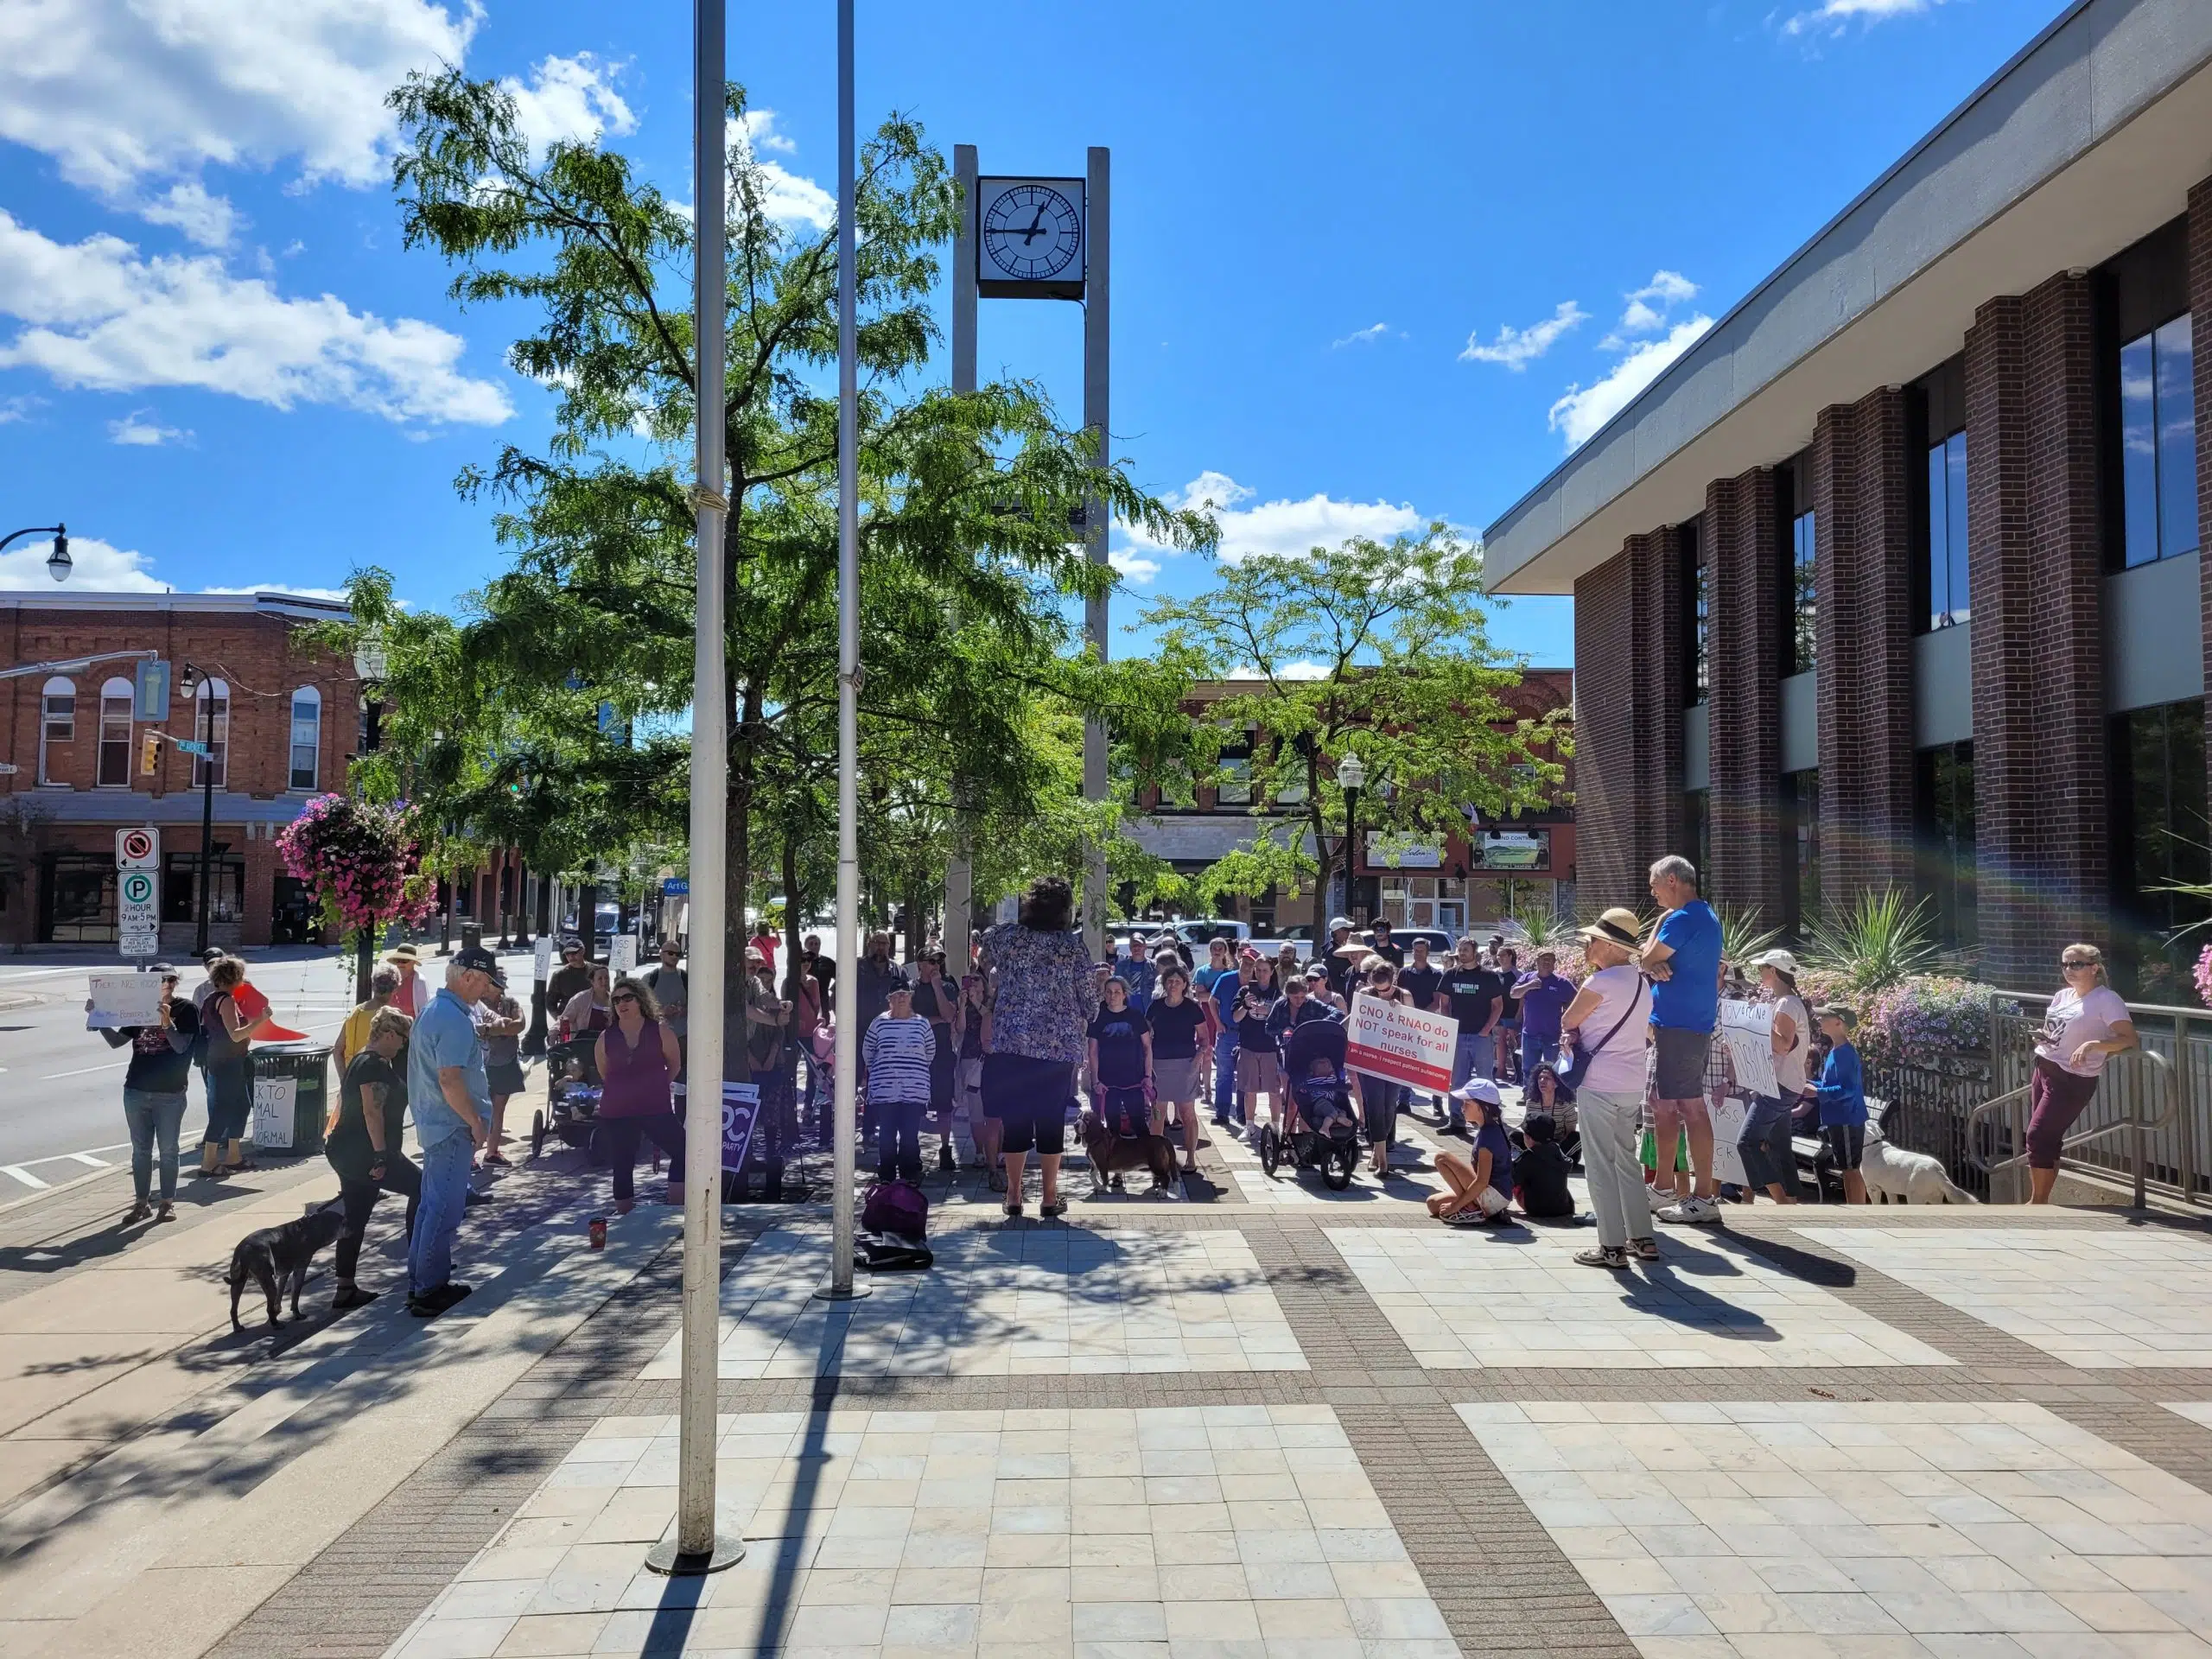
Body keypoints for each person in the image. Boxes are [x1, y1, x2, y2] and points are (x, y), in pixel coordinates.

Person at [978, 876, 1097, 1220]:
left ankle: (1014, 1195)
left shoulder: (1008, 937)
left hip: (1011, 1046)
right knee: (1050, 1121)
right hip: (1057, 1050)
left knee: (1015, 1120)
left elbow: (985, 947)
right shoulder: (1072, 947)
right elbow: (1089, 1001)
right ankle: (1048, 1197)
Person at [405, 946, 499, 1316]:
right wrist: (476, 1122)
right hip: (451, 1127)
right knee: (444, 1210)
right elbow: (450, 1079)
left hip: (436, 1125)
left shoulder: (435, 1010)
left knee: (431, 1208)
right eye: (485, 982)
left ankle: (422, 1280)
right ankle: (428, 1290)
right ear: (468, 977)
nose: (486, 990)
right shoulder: (453, 1018)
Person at [1563, 907, 1658, 1270]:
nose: (1587, 945)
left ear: (1606, 944)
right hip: (1631, 1082)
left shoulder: (1599, 983)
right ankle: (1642, 1238)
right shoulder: (1640, 981)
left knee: (1600, 1165)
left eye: (1591, 940)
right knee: (1626, 1160)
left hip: (1599, 1082)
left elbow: (1569, 1019)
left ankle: (1611, 1247)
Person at [1639, 855, 1725, 1225]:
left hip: (1682, 1026)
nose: (1652, 890)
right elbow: (1651, 962)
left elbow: (1646, 957)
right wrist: (1651, 962)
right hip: (1680, 1024)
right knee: (1663, 1105)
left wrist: (1656, 933)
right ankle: (1662, 1188)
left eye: (1655, 883)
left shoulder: (1681, 918)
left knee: (1690, 1107)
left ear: (1673, 880)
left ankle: (1704, 1197)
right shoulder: (1702, 914)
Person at [2026, 944, 2139, 1205]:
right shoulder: (2062, 996)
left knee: (2038, 1135)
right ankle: (2040, 1202)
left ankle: (2037, 1203)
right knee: (2048, 1137)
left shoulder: (2106, 1000)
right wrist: (2042, 1038)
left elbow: (2129, 1039)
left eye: (2076, 964)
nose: (2069, 970)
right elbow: (2053, 1029)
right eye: (2065, 964)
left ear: (2094, 967)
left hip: (2072, 1079)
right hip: (2045, 1068)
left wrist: (2094, 1046)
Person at [327, 1007, 422, 1310]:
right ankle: (421, 1263)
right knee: (422, 1188)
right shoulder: (374, 1067)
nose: (403, 1045)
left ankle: (345, 1287)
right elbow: (372, 1112)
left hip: (347, 1151)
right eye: (403, 1039)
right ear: (389, 1034)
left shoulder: (363, 1060)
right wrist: (381, 1156)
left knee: (356, 1213)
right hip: (368, 1153)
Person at [95, 964, 197, 1223]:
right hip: (136, 1090)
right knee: (141, 1150)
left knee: (169, 1150)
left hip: (170, 1093)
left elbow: (182, 1048)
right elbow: (117, 1041)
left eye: (172, 979)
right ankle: (141, 1203)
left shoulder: (186, 1010)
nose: (168, 984)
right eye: (161, 979)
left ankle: (167, 1202)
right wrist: (100, 1020)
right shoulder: (139, 1008)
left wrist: (166, 1023)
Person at [595, 976, 686, 1212]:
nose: (621, 1004)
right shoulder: (605, 1037)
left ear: (641, 1000)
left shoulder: (661, 1032)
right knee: (622, 1165)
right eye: (616, 1000)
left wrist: (657, 1085)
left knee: (684, 1151)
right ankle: (625, 1219)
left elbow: (675, 1065)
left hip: (655, 1107)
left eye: (627, 997)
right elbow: (605, 1073)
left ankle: (676, 1209)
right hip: (617, 1111)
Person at [1736, 950, 1809, 1205]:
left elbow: (1782, 1045)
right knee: (1779, 1146)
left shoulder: (1786, 1004)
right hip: (1785, 1085)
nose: (1760, 974)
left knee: (1746, 1142)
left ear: (1773, 972)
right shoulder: (1790, 1002)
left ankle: (1780, 1200)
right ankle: (1789, 1201)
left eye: (1762, 969)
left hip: (1779, 1086)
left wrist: (1758, 1020)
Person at [198, 956, 270, 1178]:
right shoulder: (226, 1001)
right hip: (227, 1061)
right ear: (234, 977)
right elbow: (236, 1035)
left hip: (224, 1059)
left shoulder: (211, 998)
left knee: (241, 1106)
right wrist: (260, 1020)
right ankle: (209, 1162)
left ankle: (234, 1155)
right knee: (224, 1108)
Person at [863, 981, 938, 1184]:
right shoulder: (878, 1023)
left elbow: (929, 1052)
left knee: (910, 1136)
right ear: (890, 1000)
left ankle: (909, 1175)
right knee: (886, 1136)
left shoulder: (922, 1023)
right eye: (897, 994)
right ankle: (886, 1176)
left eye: (905, 993)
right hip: (885, 1091)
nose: (902, 997)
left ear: (911, 997)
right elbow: (868, 1054)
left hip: (914, 1090)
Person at [1434, 937, 1503, 1135]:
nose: (1462, 953)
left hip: (1481, 1037)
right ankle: (1456, 1121)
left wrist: (1486, 1030)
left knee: (1485, 1079)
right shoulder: (1450, 975)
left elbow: (1498, 1006)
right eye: (1460, 949)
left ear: (1475, 952)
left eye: (1466, 949)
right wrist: (1448, 1026)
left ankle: (1488, 1121)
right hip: (1458, 1035)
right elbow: (1444, 1004)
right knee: (1457, 1080)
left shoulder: (1488, 976)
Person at [1350, 958, 1410, 1178]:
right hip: (1370, 1058)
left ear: (1393, 980)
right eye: (1378, 989)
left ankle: (1377, 1151)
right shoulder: (1366, 993)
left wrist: (1400, 1011)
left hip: (1395, 1059)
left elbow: (1415, 1026)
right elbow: (1358, 1021)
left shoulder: (1404, 995)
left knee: (1389, 1107)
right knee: (1374, 1105)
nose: (1381, 993)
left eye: (1385, 990)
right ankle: (1383, 1161)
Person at [1147, 964, 1207, 1175]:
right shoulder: (1155, 1007)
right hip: (1159, 1065)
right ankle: (1156, 1158)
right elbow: (1146, 1036)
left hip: (1185, 1065)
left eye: (1177, 981)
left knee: (1187, 1113)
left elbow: (1204, 1039)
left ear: (1185, 985)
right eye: (1169, 981)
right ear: (1164, 984)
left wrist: (1197, 1061)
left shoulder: (1192, 1008)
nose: (1173, 985)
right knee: (1157, 1114)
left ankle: (1190, 1157)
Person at [1427, 1078, 1513, 1223]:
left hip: (1493, 1195)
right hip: (1494, 1196)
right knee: (1433, 1204)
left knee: (1441, 1157)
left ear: (1483, 1108)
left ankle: (1471, 1208)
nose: (1462, 1108)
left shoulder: (1488, 1137)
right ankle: (1474, 1206)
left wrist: (1455, 1206)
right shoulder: (1488, 1128)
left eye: (1467, 1104)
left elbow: (1481, 1182)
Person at [1814, 1005, 1870, 1204]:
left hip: (1847, 1119)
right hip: (1839, 1118)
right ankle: (1856, 1209)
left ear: (1838, 1021)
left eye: (1824, 1017)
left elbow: (1846, 1090)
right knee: (1847, 1169)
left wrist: (1818, 1092)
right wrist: (1811, 1085)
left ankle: (1859, 1212)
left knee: (1850, 1169)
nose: (1819, 1020)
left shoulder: (1845, 1053)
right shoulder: (1836, 1050)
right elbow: (1830, 1084)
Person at [910, 950, 960, 1172]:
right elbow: (910, 1019)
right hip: (916, 1056)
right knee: (914, 1104)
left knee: (944, 1105)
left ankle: (945, 1149)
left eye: (939, 961)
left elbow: (949, 1016)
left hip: (942, 1053)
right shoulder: (910, 988)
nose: (936, 965)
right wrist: (935, 1020)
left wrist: (937, 986)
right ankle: (913, 1150)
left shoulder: (948, 986)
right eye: (931, 961)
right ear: (920, 963)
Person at [474, 982, 527, 1167]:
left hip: (506, 1062)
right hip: (481, 1063)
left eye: (497, 983)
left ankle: (492, 1152)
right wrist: (498, 1028)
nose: (493, 987)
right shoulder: (475, 1004)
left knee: (498, 1109)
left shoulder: (510, 1003)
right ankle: (470, 1157)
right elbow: (475, 1030)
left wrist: (489, 1029)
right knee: (476, 1111)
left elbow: (519, 1025)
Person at [1232, 956, 1282, 1134]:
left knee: (1274, 1090)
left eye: (1265, 970)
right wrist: (1245, 1006)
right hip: (1248, 1046)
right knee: (1249, 1089)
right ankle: (1250, 1126)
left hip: (1270, 1048)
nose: (1261, 974)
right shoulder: (1245, 991)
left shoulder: (1278, 994)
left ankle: (1275, 1127)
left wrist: (1269, 1012)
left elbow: (1283, 1022)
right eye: (1258, 970)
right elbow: (1235, 1018)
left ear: (1272, 972)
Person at [956, 973, 997, 1186]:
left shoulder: (992, 1003)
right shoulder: (964, 1003)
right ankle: (979, 1151)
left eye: (977, 979)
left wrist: (976, 1001)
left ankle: (996, 1152)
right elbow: (960, 1029)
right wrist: (963, 1005)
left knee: (994, 1110)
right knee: (975, 1110)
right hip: (971, 1060)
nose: (973, 983)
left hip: (992, 1061)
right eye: (969, 980)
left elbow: (991, 1017)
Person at [1195, 938, 1241, 1128]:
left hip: (1225, 1018)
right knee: (1205, 1052)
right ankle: (1206, 1089)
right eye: (1214, 948)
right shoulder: (1202, 971)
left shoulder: (1230, 973)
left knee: (1224, 1060)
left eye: (1221, 948)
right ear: (1210, 950)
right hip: (1206, 1015)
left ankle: (1235, 1106)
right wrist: (1216, 995)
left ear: (1226, 951)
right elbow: (1200, 996)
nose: (1217, 951)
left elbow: (1217, 996)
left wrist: (1211, 995)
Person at [1511, 950, 1575, 1080]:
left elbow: (1576, 1000)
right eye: (1544, 959)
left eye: (1550, 960)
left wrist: (1567, 1019)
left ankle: (1555, 1097)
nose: (1547, 962)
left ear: (1554, 964)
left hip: (1552, 1034)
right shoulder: (1527, 978)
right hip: (1530, 1033)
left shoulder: (1561, 982)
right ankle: (1529, 1096)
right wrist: (1529, 986)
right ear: (1537, 962)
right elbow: (1513, 994)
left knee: (1553, 1069)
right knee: (1529, 1069)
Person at [335, 964, 402, 1073]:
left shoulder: (356, 1011)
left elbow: (338, 1049)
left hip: (351, 1078)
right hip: (373, 1079)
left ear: (373, 985)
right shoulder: (388, 1016)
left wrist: (344, 1081)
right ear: (395, 990)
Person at [1514, 1112, 1576, 1220]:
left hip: (1536, 1209)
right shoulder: (1557, 1151)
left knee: (1512, 1177)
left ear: (1528, 1137)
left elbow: (1513, 1179)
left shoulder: (1528, 1157)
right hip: (1563, 1208)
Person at [852, 931, 906, 1050]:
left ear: (889, 946)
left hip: (889, 1035)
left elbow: (908, 1000)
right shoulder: (855, 968)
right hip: (859, 1034)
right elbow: (835, 997)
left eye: (884, 943)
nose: (880, 947)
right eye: (876, 942)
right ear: (868, 944)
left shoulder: (899, 971)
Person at [642, 940, 689, 1066]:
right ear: (661, 954)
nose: (674, 957)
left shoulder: (686, 978)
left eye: (677, 954)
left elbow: (696, 1007)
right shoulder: (650, 978)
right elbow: (640, 1009)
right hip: (655, 1037)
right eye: (670, 953)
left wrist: (683, 1010)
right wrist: (662, 1012)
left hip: (681, 1038)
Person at [560, 963, 613, 1047]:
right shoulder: (580, 1000)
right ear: (592, 981)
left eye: (607, 978)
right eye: (600, 979)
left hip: (608, 1047)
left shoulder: (615, 1000)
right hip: (584, 1048)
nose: (604, 981)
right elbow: (564, 1019)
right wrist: (554, 1034)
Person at [1493, 946, 1524, 1084]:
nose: (1500, 958)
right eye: (1498, 956)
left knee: (1515, 1042)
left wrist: (1519, 1013)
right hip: (1497, 1013)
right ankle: (1501, 1070)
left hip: (1512, 1013)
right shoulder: (1493, 973)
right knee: (1499, 1041)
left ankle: (1518, 1072)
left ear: (1511, 956)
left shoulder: (1518, 974)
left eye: (1503, 955)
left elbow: (1523, 997)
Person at [545, 938, 593, 1022]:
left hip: (591, 1018)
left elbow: (605, 997)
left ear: (582, 951)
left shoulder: (596, 971)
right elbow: (550, 1002)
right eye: (567, 954)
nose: (571, 957)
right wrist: (559, 1019)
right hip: (568, 1019)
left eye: (574, 953)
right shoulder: (559, 975)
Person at [1323, 917, 1358, 1001]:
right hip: (1339, 996)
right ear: (1338, 932)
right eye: (1347, 930)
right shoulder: (1332, 951)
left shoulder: (1334, 947)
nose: (1350, 932)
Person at [385, 944, 426, 1017]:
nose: (400, 964)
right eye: (398, 960)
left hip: (410, 1027)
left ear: (413, 962)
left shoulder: (419, 981)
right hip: (389, 1026)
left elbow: (424, 1013)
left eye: (404, 961)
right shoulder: (390, 979)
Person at [1121, 935, 1158, 1014]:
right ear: (1130, 948)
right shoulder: (1121, 966)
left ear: (1145, 947)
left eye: (1140, 945)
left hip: (1148, 1010)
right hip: (1126, 1010)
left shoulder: (1154, 967)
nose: (1137, 948)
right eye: (1134, 945)